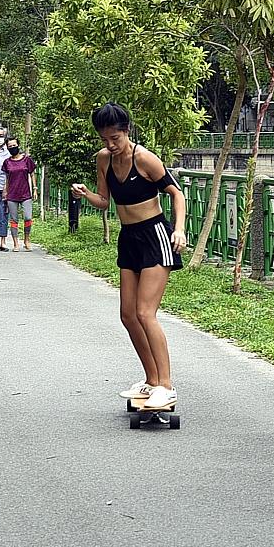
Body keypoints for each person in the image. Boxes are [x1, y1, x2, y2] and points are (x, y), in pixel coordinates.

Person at [70, 103, 187, 413]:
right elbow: (104, 201)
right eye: (104, 139)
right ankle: (151, 379)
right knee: (128, 315)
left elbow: (177, 193)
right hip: (129, 238)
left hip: (155, 235)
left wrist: (179, 229)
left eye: (116, 138)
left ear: (127, 131)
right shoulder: (104, 159)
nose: (110, 144)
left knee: (146, 313)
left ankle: (166, 386)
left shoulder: (144, 158)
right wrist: (85, 194)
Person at [2, 136, 37, 251]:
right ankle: (15, 243)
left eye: (14, 145)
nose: (12, 148)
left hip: (25, 193)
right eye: (10, 146)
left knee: (28, 217)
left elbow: (32, 174)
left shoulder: (26, 160)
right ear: (7, 148)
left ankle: (27, 239)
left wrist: (35, 188)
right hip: (12, 194)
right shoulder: (7, 162)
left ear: (18, 145)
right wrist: (5, 191)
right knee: (14, 219)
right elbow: (7, 178)